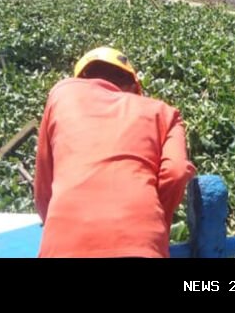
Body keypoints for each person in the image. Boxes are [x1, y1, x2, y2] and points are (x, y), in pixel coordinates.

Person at [34, 46, 196, 258]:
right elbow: (176, 172)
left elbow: (44, 185)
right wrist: (151, 221)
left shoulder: (61, 94)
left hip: (64, 245)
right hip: (140, 244)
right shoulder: (164, 113)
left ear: (81, 79)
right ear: (132, 87)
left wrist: (59, 225)